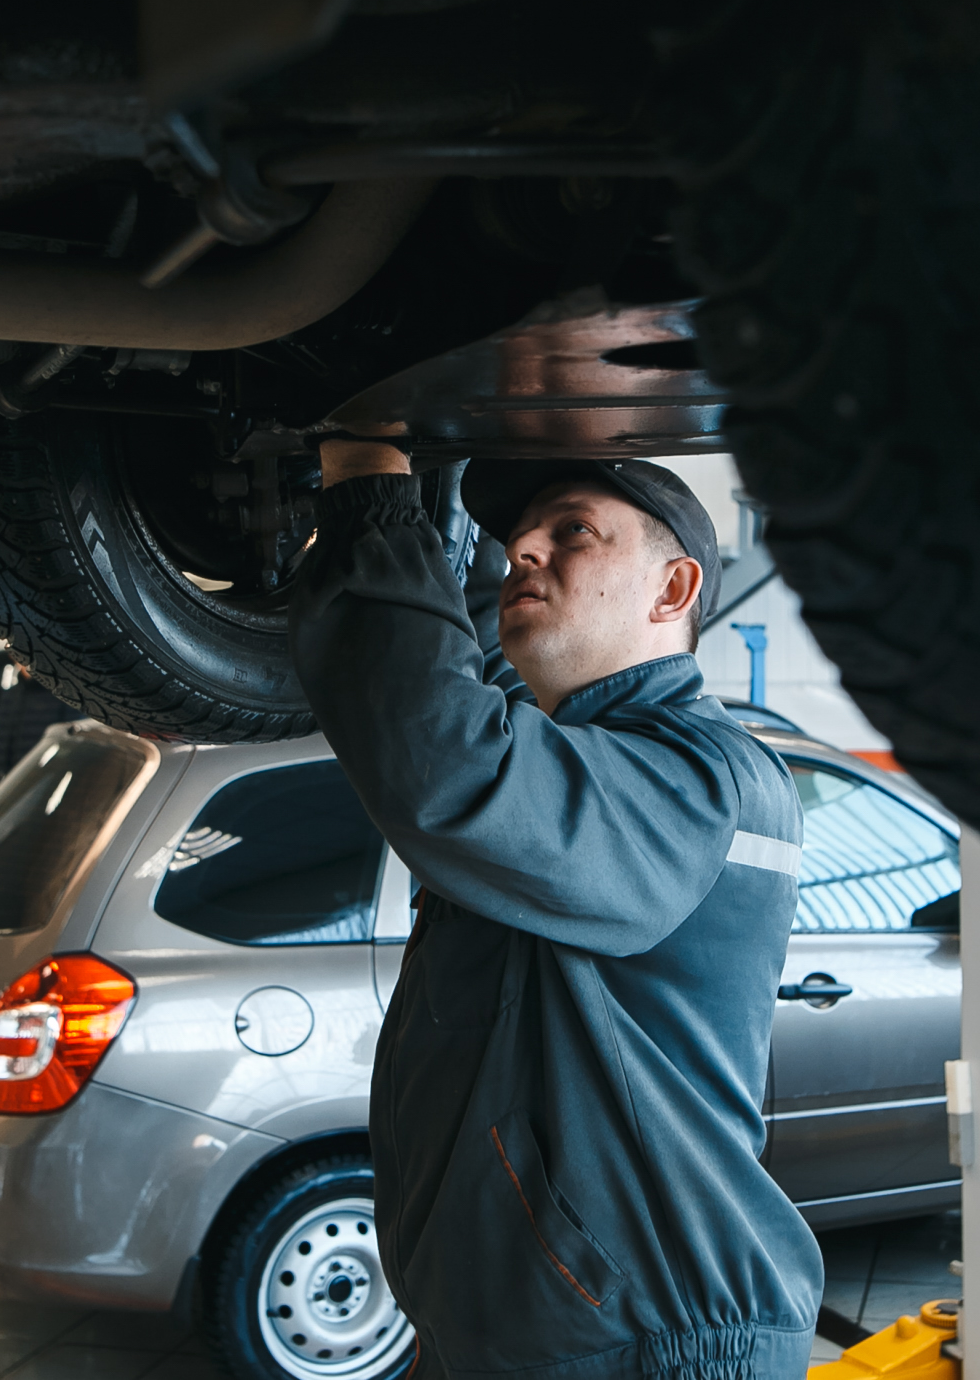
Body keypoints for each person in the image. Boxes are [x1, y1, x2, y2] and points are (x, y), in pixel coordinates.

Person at [288, 445, 820, 1378]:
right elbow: (460, 683)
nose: (523, 546)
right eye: (518, 534)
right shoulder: (589, 766)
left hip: (647, 1339)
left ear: (672, 590)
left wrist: (369, 476)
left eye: (572, 530)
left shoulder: (702, 777)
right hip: (533, 1334)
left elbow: (443, 758)